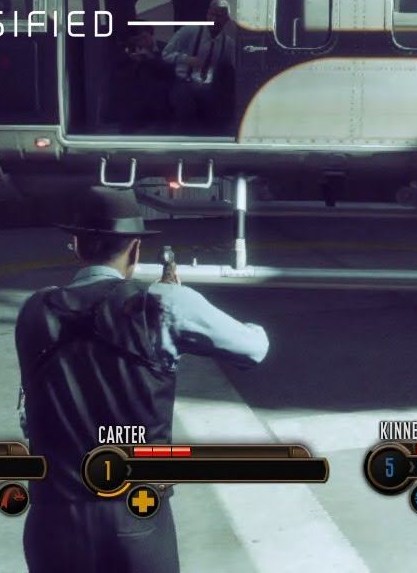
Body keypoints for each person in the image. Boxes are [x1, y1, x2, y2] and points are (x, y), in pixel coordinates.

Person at [15, 186, 269, 573]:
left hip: (53, 521)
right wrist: (180, 301)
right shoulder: (162, 304)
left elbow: (31, 411)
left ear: (77, 246)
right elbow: (254, 347)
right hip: (136, 517)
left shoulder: (34, 310)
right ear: (135, 250)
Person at [161, 0, 236, 134]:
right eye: (212, 14)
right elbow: (166, 54)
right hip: (184, 82)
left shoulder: (228, 43)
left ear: (226, 19)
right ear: (207, 14)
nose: (214, 19)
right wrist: (186, 59)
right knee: (185, 112)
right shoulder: (189, 31)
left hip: (209, 87)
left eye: (219, 16)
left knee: (218, 116)